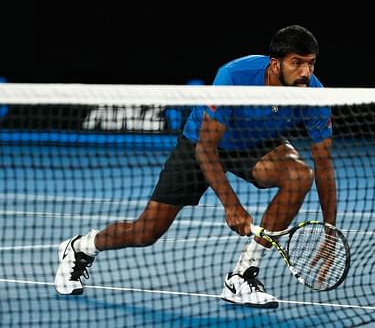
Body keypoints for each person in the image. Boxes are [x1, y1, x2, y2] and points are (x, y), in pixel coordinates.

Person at [54, 24, 336, 309]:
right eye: (296, 63)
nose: (305, 73)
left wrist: (330, 230)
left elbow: (323, 165)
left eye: (310, 64)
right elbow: (205, 147)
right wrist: (231, 204)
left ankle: (243, 274)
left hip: (254, 143)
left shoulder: (312, 94)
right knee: (146, 232)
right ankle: (81, 247)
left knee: (300, 175)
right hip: (201, 144)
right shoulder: (235, 77)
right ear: (275, 65)